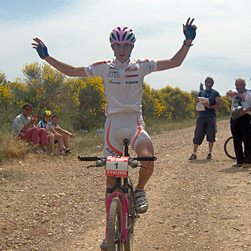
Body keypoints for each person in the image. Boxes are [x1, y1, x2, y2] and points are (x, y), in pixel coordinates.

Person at [32, 18, 197, 247]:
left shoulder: (141, 65)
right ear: (112, 47)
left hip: (135, 122)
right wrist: (46, 57)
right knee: (111, 182)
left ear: (132, 47)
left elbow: (174, 62)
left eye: (126, 46)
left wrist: (187, 41)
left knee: (147, 160)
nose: (122, 50)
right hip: (113, 125)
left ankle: (139, 190)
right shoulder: (103, 67)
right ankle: (109, 232)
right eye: (118, 45)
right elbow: (71, 71)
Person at [188, 77, 220, 160]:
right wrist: (198, 103)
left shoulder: (215, 93)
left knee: (211, 134)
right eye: (207, 81)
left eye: (210, 82)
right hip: (201, 116)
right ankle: (194, 153)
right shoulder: (201, 92)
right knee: (198, 133)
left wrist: (210, 106)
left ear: (212, 83)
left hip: (211, 116)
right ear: (205, 83)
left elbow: (217, 105)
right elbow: (197, 101)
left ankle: (210, 153)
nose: (208, 83)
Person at [226, 78, 251, 168]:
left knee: (247, 139)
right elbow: (227, 94)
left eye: (241, 85)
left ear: (244, 85)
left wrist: (247, 109)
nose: (239, 86)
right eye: (237, 85)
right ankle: (239, 160)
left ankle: (248, 161)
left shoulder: (248, 93)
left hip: (245, 117)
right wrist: (238, 94)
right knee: (236, 139)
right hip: (235, 117)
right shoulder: (234, 92)